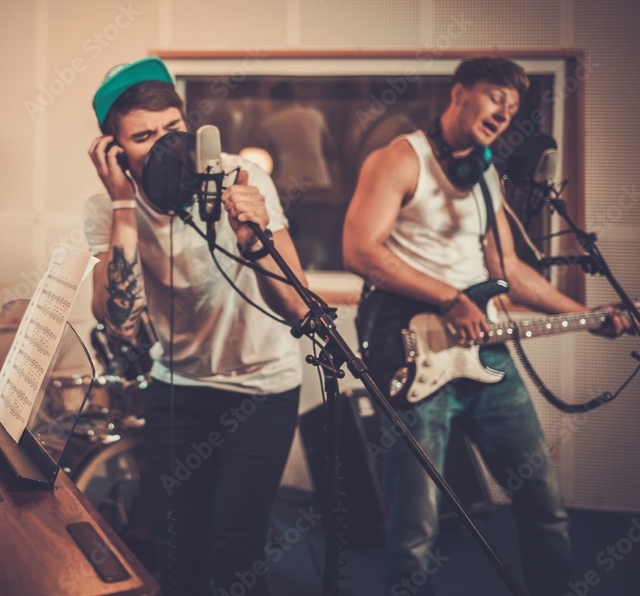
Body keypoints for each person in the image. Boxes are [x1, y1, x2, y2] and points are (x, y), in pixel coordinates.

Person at [342, 57, 632, 595]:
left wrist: (584, 318)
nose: (505, 111)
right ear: (459, 94)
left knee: (543, 502)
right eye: (496, 96)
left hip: (488, 357)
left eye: (514, 106)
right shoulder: (400, 159)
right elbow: (360, 250)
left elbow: (508, 272)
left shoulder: (484, 177)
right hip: (415, 353)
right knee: (414, 528)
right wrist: (451, 298)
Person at [83, 57, 310, 596]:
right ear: (114, 151)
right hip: (180, 387)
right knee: (175, 546)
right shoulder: (106, 208)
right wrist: (122, 205)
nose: (165, 144)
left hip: (262, 388)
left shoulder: (239, 177)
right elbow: (120, 321)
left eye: (173, 129)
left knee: (233, 546)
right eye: (143, 135)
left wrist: (257, 239)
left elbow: (299, 308)